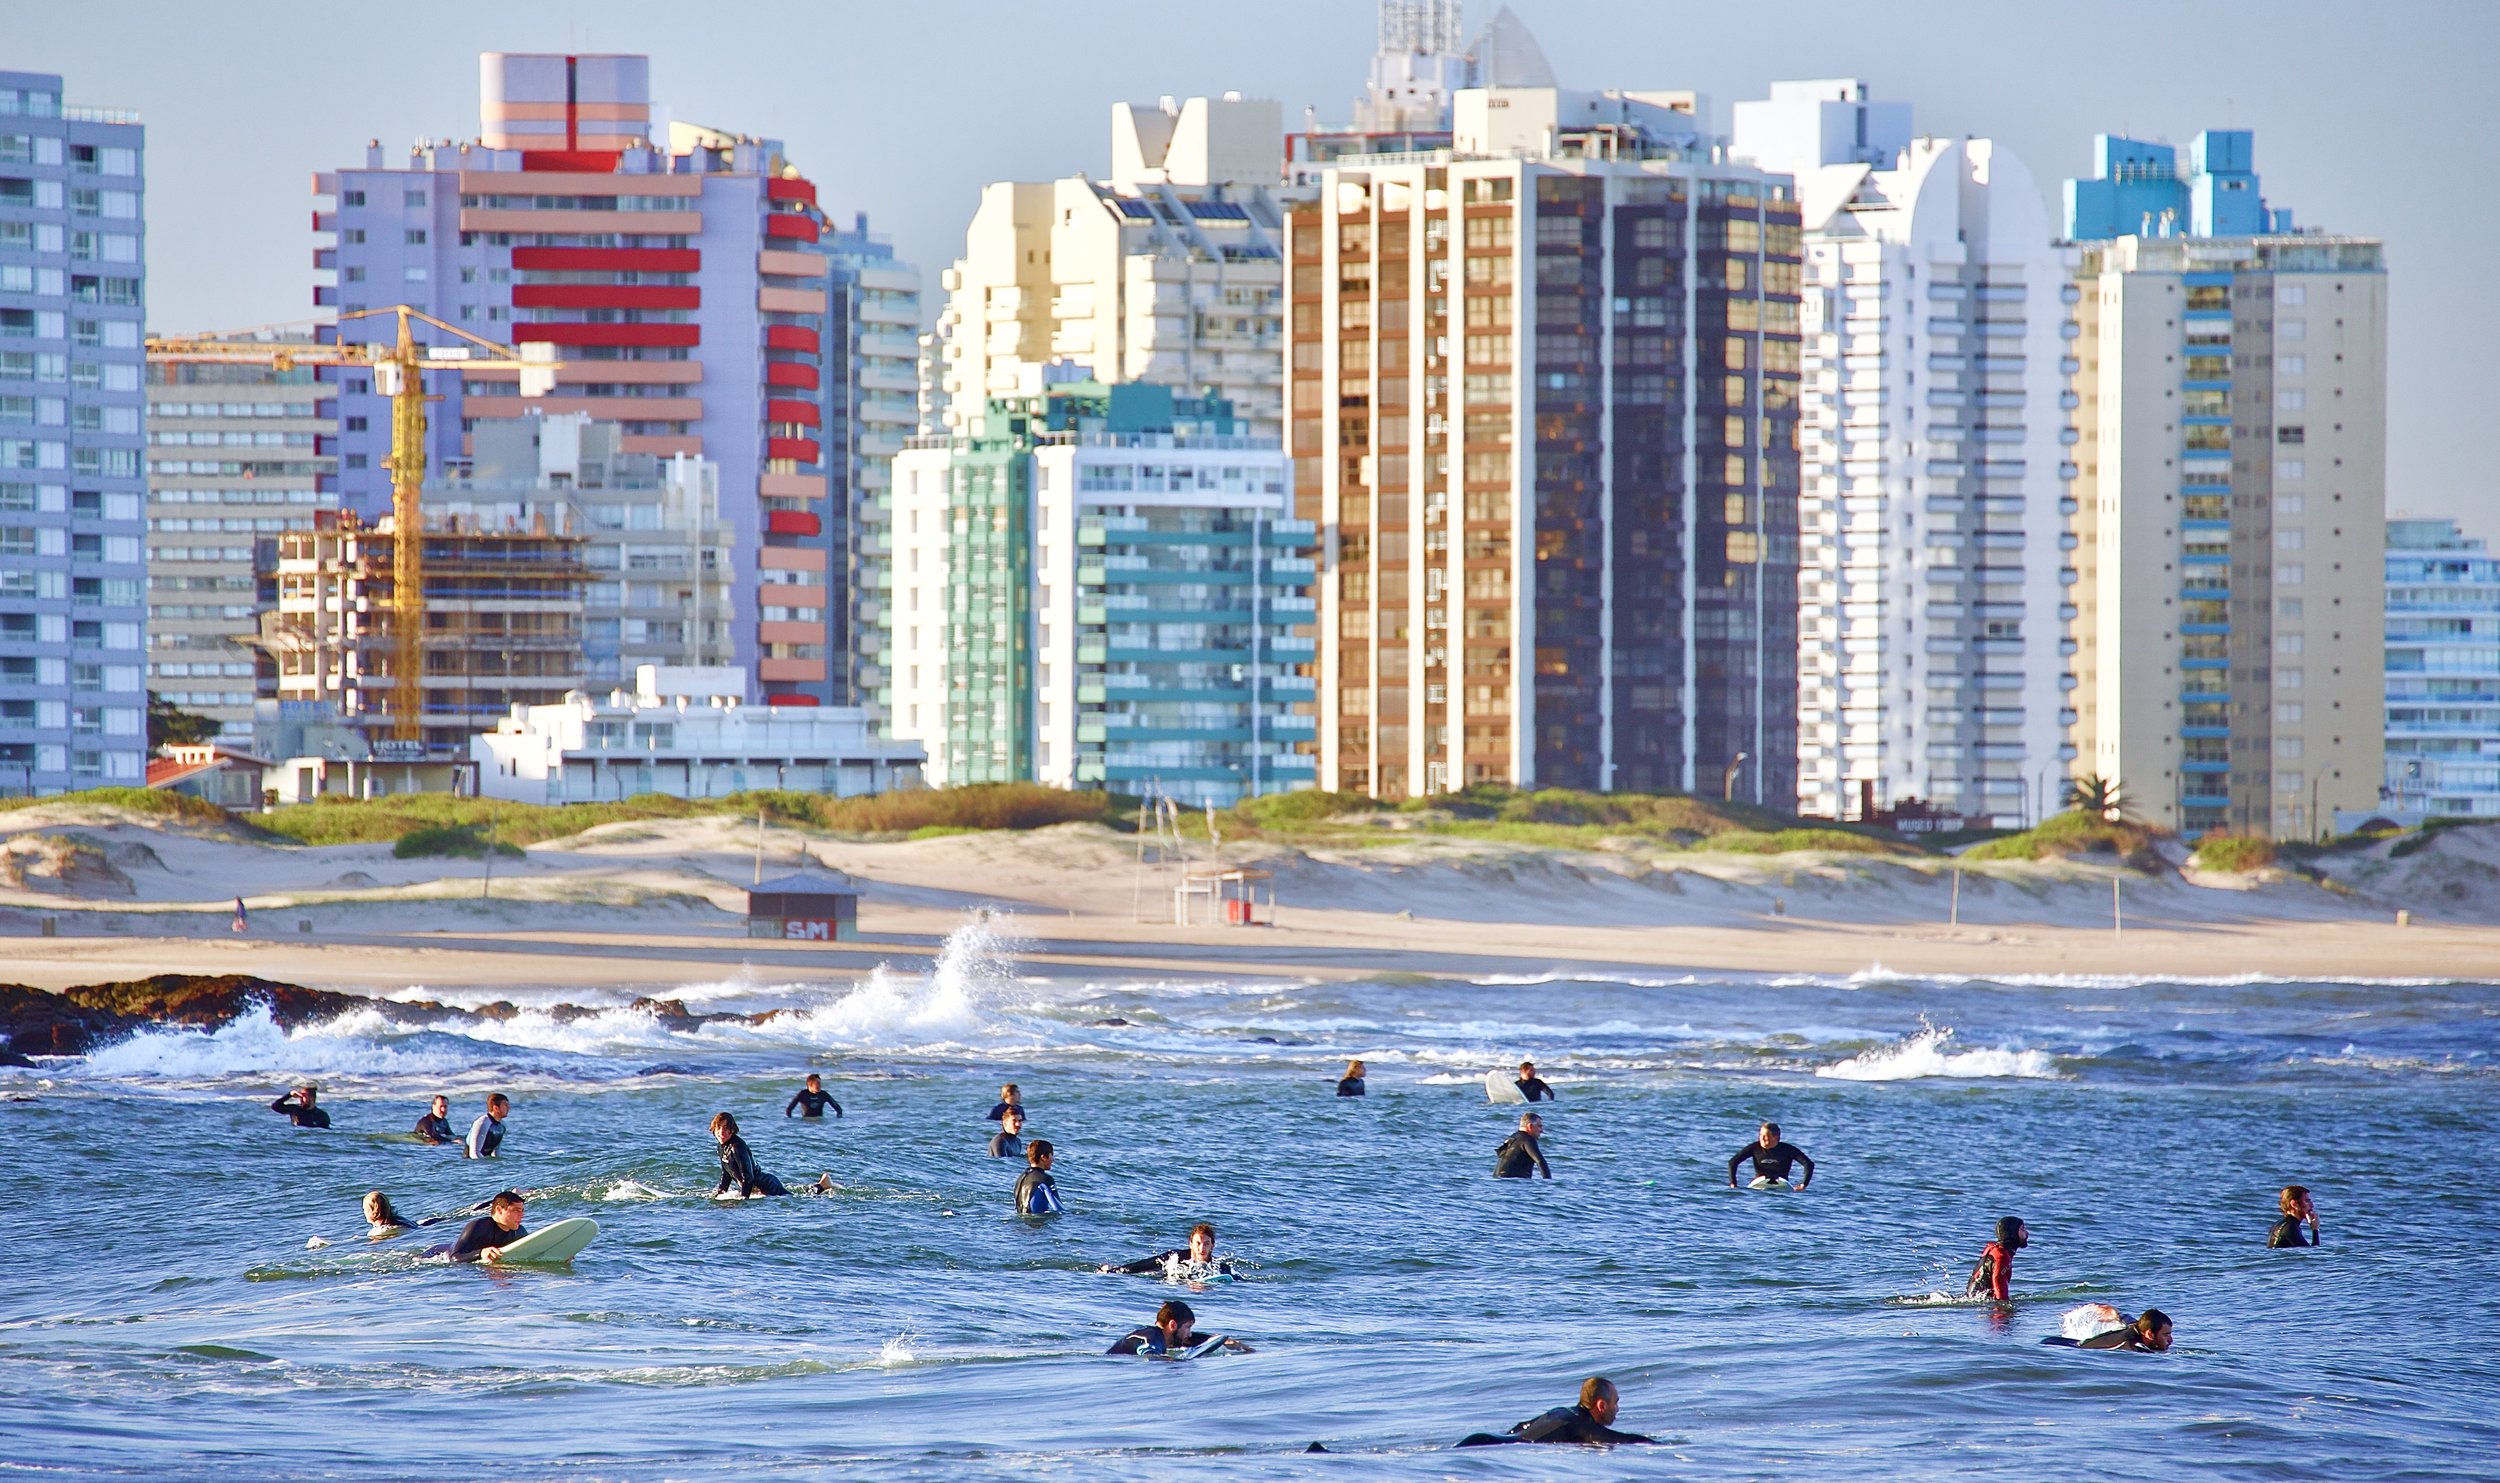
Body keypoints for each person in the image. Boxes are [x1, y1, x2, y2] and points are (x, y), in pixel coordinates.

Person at [1457, 1377, 1655, 1447]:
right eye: (1616, 1403)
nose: (1617, 1408)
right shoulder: (1582, 1426)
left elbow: (1521, 1427)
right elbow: (1621, 1439)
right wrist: (1661, 1445)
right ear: (1601, 1405)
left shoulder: (1560, 1411)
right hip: (1492, 1447)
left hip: (1486, 1439)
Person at [1106, 1298, 1252, 1357]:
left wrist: (1225, 1342)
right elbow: (1148, 1355)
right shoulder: (1151, 1337)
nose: (1189, 1333)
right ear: (1173, 1325)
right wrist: (1173, 1362)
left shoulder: (1163, 1336)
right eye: (1188, 1327)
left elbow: (1191, 1339)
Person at [1099, 1221, 1238, 1278]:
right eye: (1198, 1243)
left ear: (1213, 1245)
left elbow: (1237, 1280)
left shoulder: (1219, 1267)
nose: (1202, 1248)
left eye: (1206, 1244)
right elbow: (1142, 1265)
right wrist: (1113, 1272)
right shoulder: (1175, 1258)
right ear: (1190, 1244)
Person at [711, 1111, 789, 1198]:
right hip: (755, 1189)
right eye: (718, 1128)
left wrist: (743, 1200)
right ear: (714, 1129)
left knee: (790, 1198)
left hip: (770, 1187)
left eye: (725, 1128)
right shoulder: (721, 1147)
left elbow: (748, 1177)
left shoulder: (737, 1147)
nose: (721, 1132)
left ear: (732, 1130)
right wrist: (720, 1194)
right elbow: (727, 1173)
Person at [437, 1190, 527, 1263]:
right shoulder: (478, 1227)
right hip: (437, 1254)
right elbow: (454, 1258)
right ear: (499, 1210)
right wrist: (480, 1253)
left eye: (522, 1210)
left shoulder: (520, 1232)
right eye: (516, 1210)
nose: (522, 1215)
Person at [1727, 1121, 1815, 1189]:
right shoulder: (1754, 1147)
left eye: (1766, 1136)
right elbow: (1733, 1162)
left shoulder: (1787, 1149)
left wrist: (1803, 1184)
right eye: (1761, 1135)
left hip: (1781, 1184)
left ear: (1775, 1137)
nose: (1762, 1139)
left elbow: (1808, 1164)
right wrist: (1733, 1183)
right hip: (1759, 1184)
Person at [2048, 1309, 2174, 1352]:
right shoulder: (2130, 1345)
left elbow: (2124, 1316)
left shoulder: (2137, 1326)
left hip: (2065, 1342)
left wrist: (2110, 1311)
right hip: (2059, 1346)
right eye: (2166, 1335)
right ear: (2150, 1334)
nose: (2171, 1340)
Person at [1966, 1216, 2029, 1302]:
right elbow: (1999, 1286)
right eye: (2022, 1229)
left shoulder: (1994, 1249)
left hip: (1974, 1301)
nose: (2027, 1233)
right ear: (2012, 1233)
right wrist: (2004, 1309)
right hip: (1981, 1306)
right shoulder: (2001, 1256)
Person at [1495, 1112, 1552, 1179]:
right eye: (1539, 1126)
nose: (1542, 1130)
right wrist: (1548, 1183)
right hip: (1516, 1184)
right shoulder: (1527, 1139)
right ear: (1530, 1126)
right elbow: (1540, 1161)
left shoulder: (1511, 1138)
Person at [1014, 1140, 1063, 1215]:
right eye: (1051, 1155)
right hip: (1036, 1224)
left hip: (1019, 1225)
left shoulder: (1021, 1177)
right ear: (1043, 1157)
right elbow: (1059, 1209)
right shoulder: (1045, 1179)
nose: (1053, 1159)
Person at [465, 1093, 509, 1159]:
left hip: (485, 1163)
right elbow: (474, 1153)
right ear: (496, 1108)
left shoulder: (502, 1125)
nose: (509, 1108)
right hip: (470, 1164)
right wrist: (483, 1167)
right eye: (505, 1105)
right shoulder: (482, 1123)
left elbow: (496, 1151)